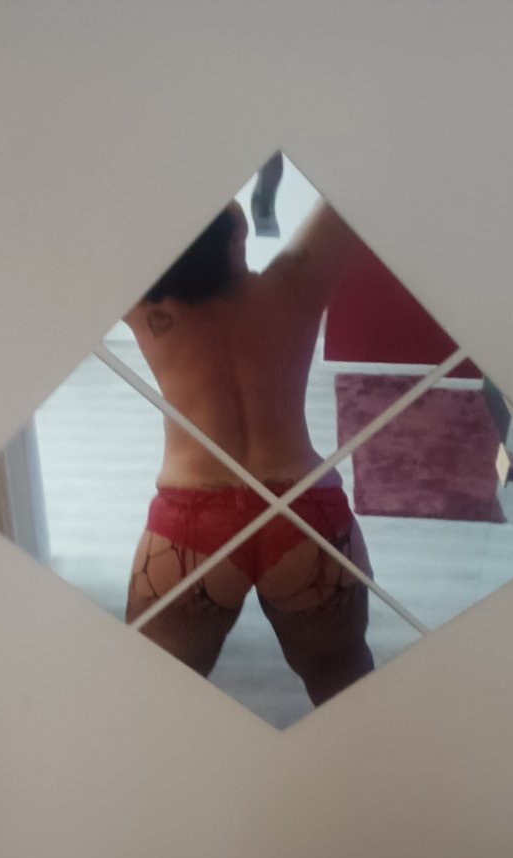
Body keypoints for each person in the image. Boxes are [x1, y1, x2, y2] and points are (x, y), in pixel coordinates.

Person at [122, 154, 374, 705]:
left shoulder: (144, 306)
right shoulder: (294, 284)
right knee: (345, 685)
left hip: (188, 527)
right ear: (237, 231)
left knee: (153, 702)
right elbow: (354, 186)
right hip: (307, 516)